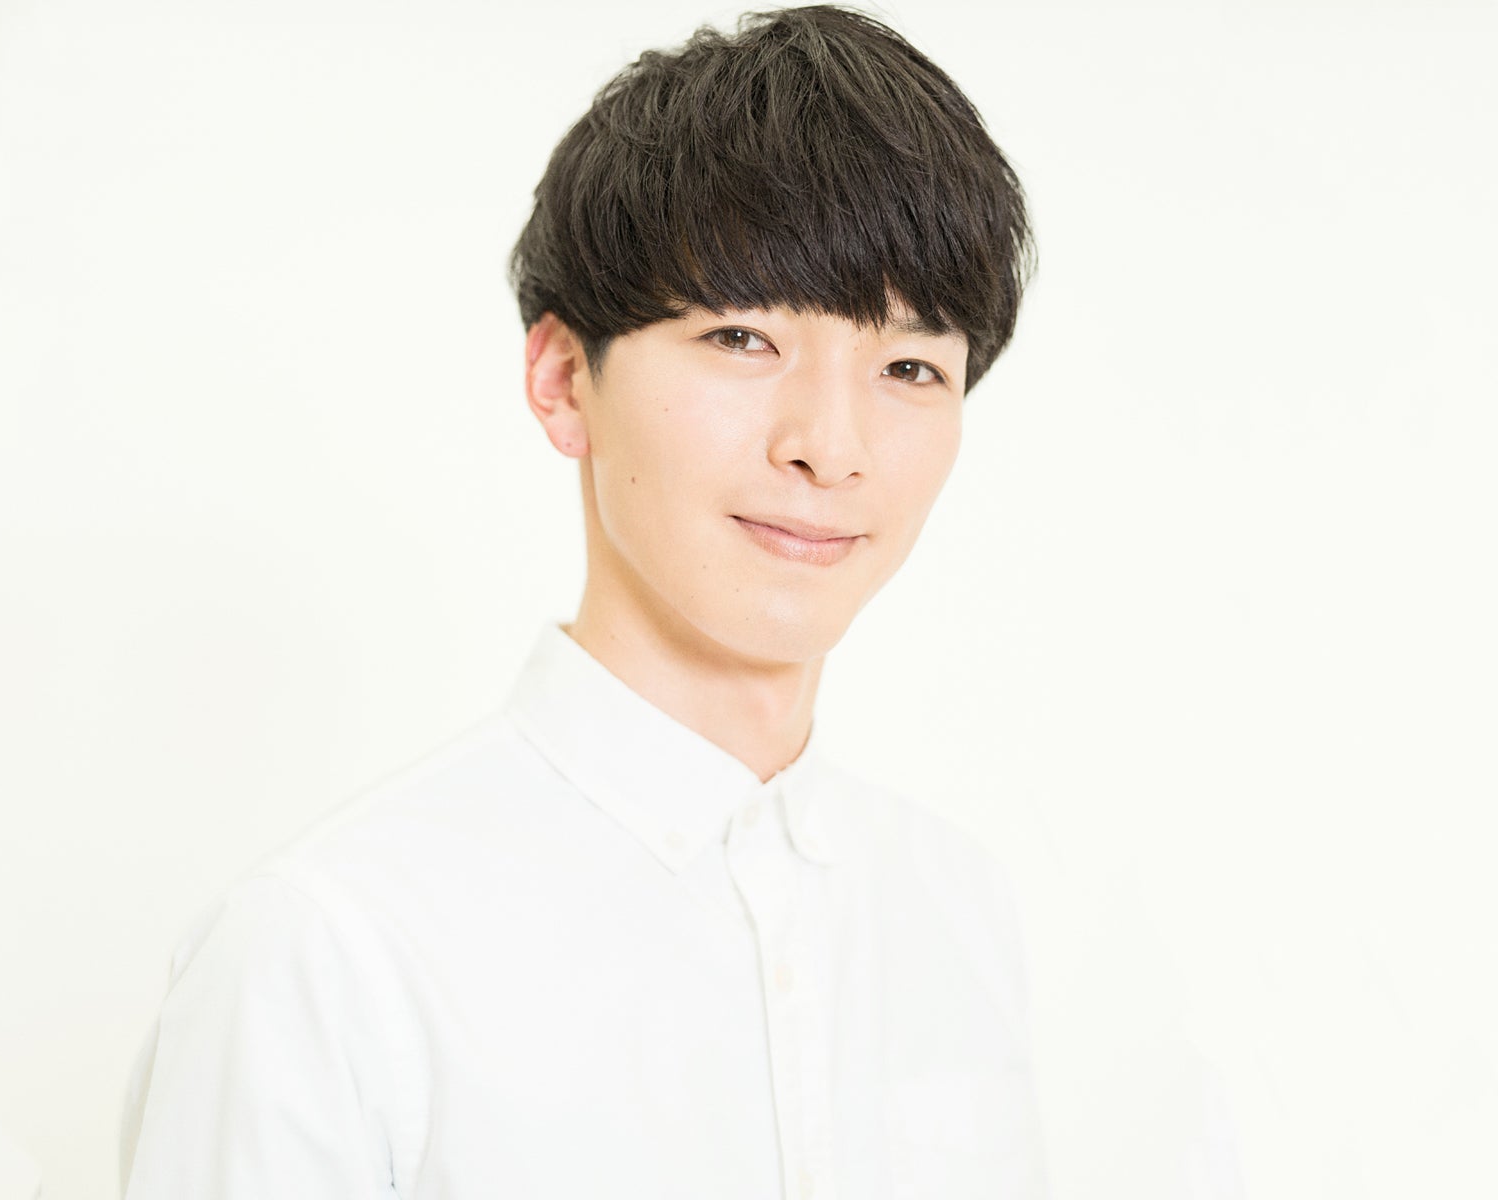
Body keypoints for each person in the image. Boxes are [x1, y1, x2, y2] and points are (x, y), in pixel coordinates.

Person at [119, 5, 1042, 1197]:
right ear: (563, 379)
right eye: (743, 338)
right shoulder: (330, 953)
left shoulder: (956, 908)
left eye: (910, 366)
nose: (830, 445)